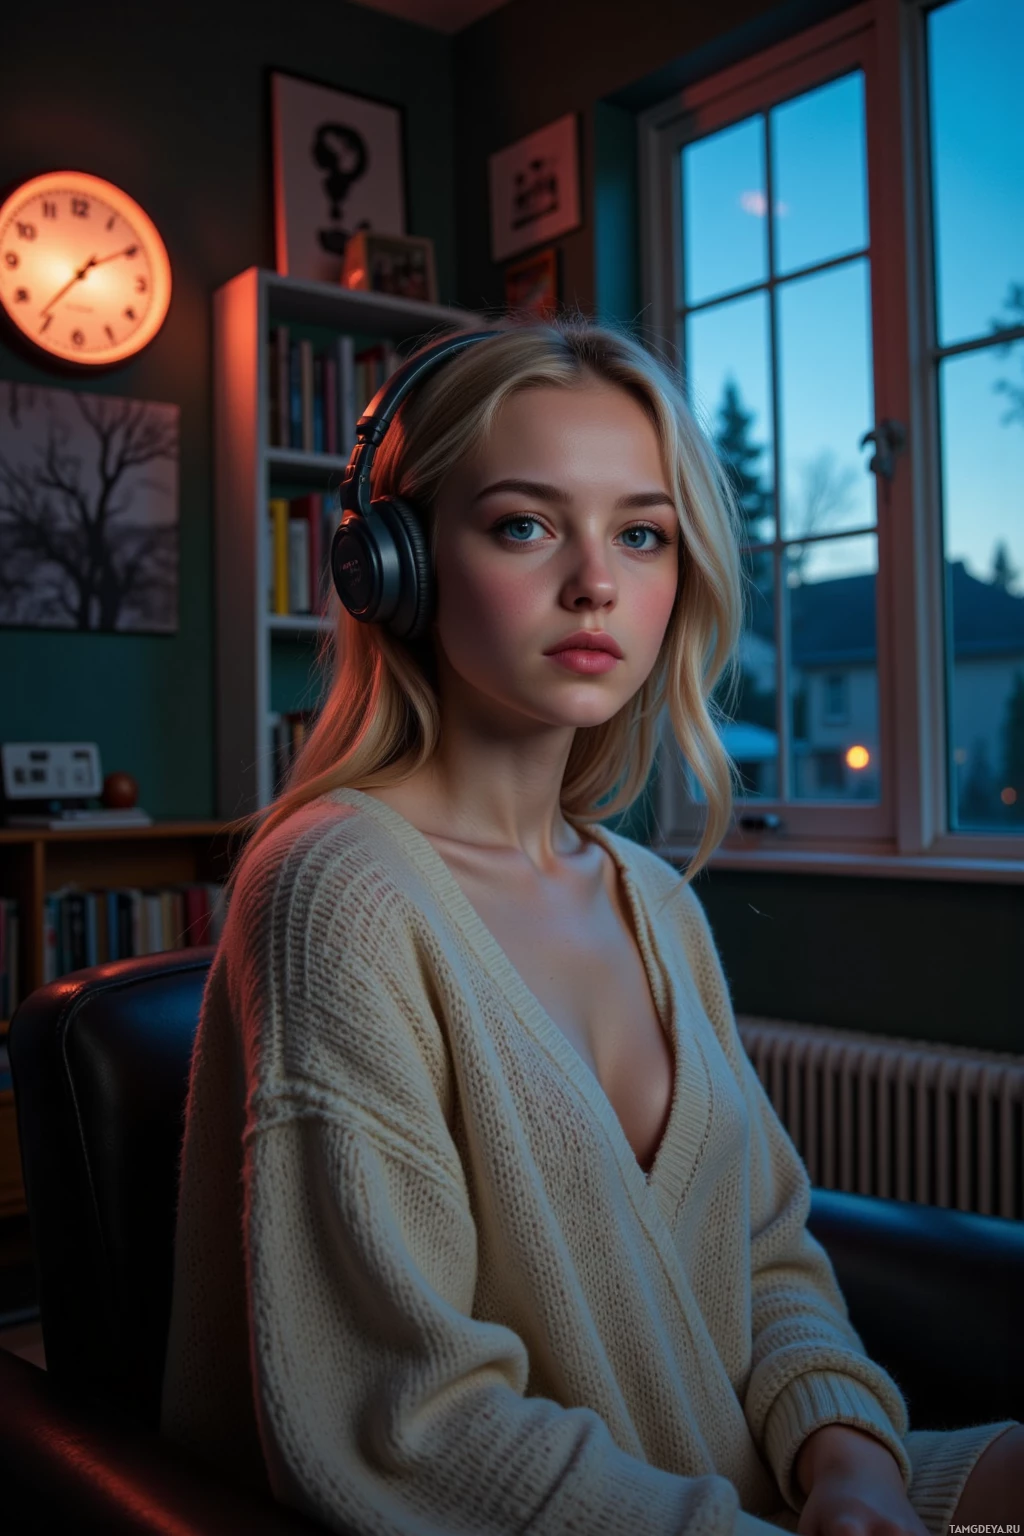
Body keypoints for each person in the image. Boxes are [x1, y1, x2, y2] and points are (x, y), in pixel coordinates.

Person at [160, 317, 1021, 1535]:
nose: (596, 583)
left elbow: (768, 1256)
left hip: (774, 1492)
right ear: (394, 564)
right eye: (524, 524)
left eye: (641, 533)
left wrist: (850, 1459)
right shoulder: (337, 892)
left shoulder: (653, 899)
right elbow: (408, 1429)